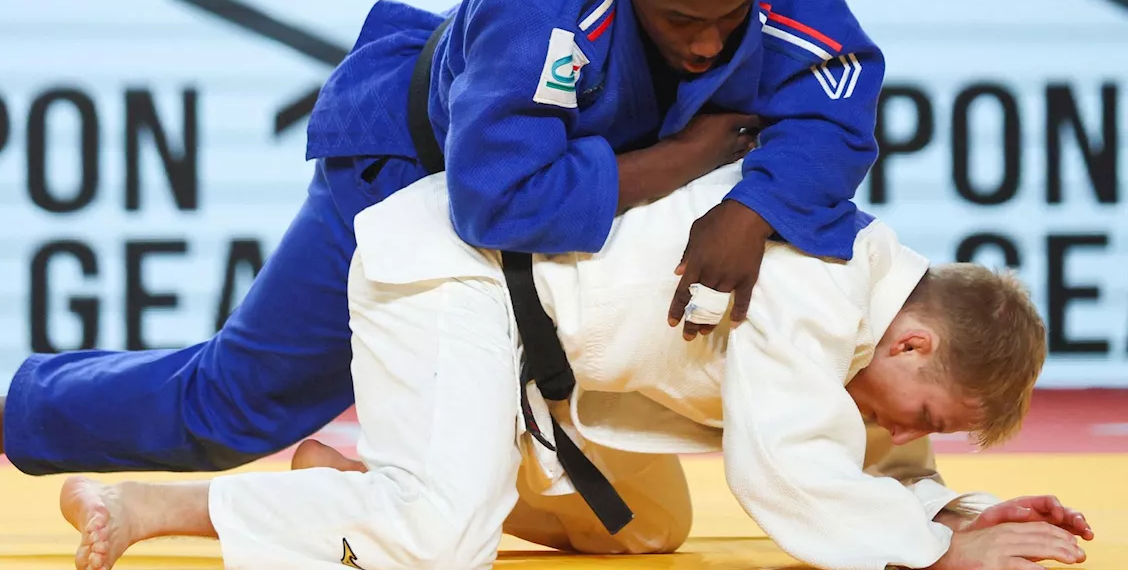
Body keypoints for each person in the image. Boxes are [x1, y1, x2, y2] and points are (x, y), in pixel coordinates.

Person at [0, 0, 888, 549]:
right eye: (681, 23)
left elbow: (838, 98)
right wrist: (685, 159)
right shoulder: (546, 0)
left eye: (727, 20)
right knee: (234, 407)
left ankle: (363, 467)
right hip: (410, 176)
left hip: (570, 236)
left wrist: (752, 208)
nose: (711, 45)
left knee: (640, 522)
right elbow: (500, 200)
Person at [54, 163, 1094, 570]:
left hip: (557, 364)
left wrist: (967, 514)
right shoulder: (816, 281)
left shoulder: (873, 336)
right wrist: (932, 558)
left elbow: (870, 465)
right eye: (932, 414)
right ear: (912, 343)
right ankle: (148, 505)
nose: (913, 434)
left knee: (648, 530)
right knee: (438, 543)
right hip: (460, 281)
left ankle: (362, 484)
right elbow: (784, 468)